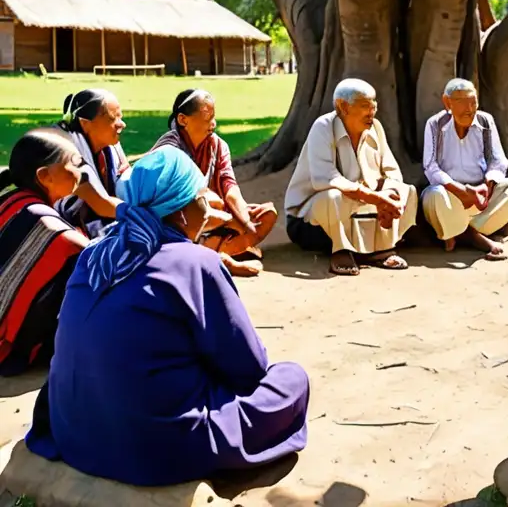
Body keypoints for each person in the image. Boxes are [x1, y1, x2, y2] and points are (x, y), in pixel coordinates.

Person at [26, 148, 309, 486]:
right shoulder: (196, 263)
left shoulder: (94, 254)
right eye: (200, 196)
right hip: (151, 448)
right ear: (183, 211)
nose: (206, 205)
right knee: (291, 380)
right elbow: (248, 368)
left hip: (73, 432)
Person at [285, 79, 417, 275]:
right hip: (312, 223)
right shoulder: (323, 127)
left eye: (374, 105)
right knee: (333, 196)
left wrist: (388, 194)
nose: (371, 111)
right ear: (342, 107)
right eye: (365, 106)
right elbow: (326, 178)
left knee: (408, 191)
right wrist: (375, 198)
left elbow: (392, 171)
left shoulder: (376, 128)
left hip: (365, 211)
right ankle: (340, 250)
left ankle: (380, 248)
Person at [153, 89, 276, 278]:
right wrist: (230, 219)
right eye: (207, 117)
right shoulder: (169, 149)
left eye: (214, 116)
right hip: (177, 223)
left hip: (211, 219)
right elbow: (186, 200)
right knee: (212, 203)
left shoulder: (218, 145)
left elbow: (230, 186)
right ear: (183, 120)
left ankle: (219, 250)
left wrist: (244, 219)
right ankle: (221, 259)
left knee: (265, 215)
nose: (213, 123)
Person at [0, 130, 89, 376]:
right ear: (44, 176)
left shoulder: (13, 201)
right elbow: (92, 255)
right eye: (73, 163)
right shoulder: (49, 228)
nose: (80, 172)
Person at [421, 79, 508, 261]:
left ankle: (458, 231)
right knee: (433, 196)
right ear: (447, 103)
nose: (469, 109)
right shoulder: (435, 124)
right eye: (461, 103)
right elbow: (430, 167)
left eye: (473, 102)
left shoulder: (486, 121)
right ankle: (476, 238)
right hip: (449, 196)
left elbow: (498, 160)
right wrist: (460, 191)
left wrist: (487, 186)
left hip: (479, 198)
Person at [55, 89, 131, 237]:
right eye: (112, 119)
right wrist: (145, 214)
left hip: (96, 223)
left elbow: (127, 176)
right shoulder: (68, 154)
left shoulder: (112, 145)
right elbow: (102, 204)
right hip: (64, 227)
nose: (121, 124)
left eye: (120, 117)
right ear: (85, 123)